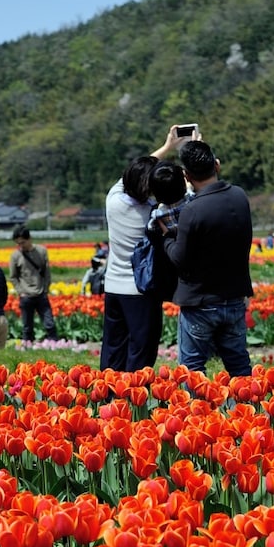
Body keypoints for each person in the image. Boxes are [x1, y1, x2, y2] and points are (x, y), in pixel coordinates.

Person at [160, 140, 253, 377]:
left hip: (200, 302)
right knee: (240, 368)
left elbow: (179, 259)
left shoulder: (193, 210)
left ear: (186, 176)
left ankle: (196, 414)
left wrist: (168, 237)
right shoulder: (240, 197)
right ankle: (247, 413)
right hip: (234, 297)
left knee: (192, 370)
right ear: (217, 165)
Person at [103, 130, 187, 372]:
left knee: (113, 346)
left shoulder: (114, 199)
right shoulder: (153, 214)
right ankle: (132, 398)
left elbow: (133, 174)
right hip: (141, 291)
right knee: (141, 349)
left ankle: (107, 396)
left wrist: (165, 147)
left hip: (113, 287)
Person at [9, 225, 57, 342]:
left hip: (41, 293)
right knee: (27, 325)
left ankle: (55, 343)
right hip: (26, 295)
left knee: (49, 322)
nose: (21, 246)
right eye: (18, 243)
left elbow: (47, 272)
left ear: (30, 238)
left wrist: (45, 289)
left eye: (23, 242)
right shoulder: (15, 256)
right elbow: (13, 277)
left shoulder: (41, 251)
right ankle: (28, 345)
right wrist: (21, 292)